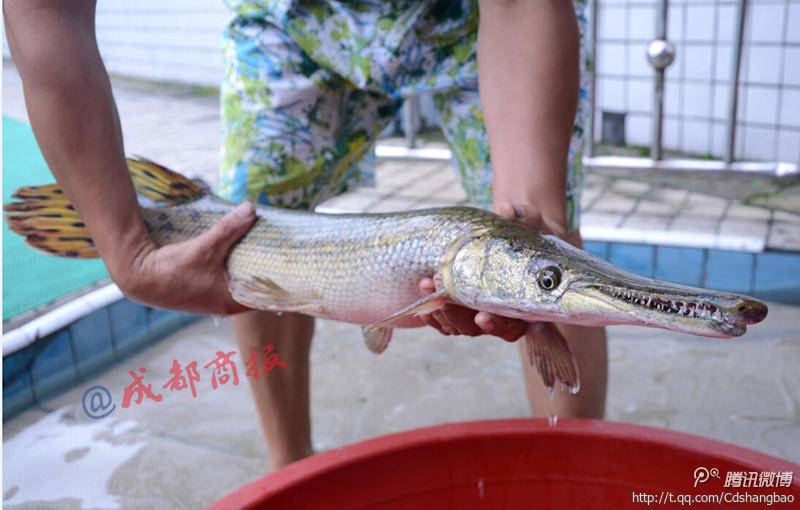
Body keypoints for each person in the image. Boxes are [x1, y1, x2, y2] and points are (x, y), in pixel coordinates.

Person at [5, 0, 606, 471]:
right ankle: (289, 464)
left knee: (543, 235)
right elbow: (43, 9)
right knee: (246, 225)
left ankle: (579, 468)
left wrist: (540, 226)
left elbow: (522, 3)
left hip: (471, 15)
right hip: (291, 19)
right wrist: (124, 246)